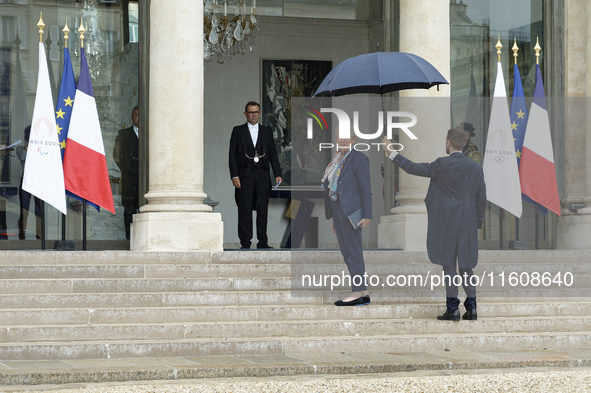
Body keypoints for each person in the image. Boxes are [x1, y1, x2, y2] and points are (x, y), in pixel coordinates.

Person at [383, 128, 486, 320]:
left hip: (447, 223)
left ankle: (453, 308)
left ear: (448, 142)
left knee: (448, 264)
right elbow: (482, 199)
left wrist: (392, 153)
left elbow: (414, 168)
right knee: (466, 266)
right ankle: (471, 308)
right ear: (463, 144)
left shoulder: (442, 164)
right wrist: (477, 223)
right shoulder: (476, 168)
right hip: (468, 224)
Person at [322, 133, 372, 306]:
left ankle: (357, 292)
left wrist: (367, 215)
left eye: (346, 136)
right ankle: (362, 292)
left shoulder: (359, 158)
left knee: (353, 251)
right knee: (347, 251)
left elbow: (366, 189)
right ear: (335, 139)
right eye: (339, 136)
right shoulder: (336, 160)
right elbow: (334, 190)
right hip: (339, 211)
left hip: (352, 212)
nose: (342, 140)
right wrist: (335, 217)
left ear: (353, 139)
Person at [229, 101, 282, 249]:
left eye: (256, 112)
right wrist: (234, 175)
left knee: (262, 209)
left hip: (263, 174)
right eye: (250, 112)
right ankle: (245, 243)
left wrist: (277, 173)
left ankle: (263, 242)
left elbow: (273, 153)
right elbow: (232, 155)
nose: (253, 115)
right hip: (244, 174)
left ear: (259, 113)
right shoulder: (237, 131)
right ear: (245, 114)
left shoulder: (266, 131)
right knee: (244, 208)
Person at [113, 106, 139, 240]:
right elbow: (116, 155)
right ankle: (129, 238)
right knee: (129, 208)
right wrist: (126, 168)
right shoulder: (123, 134)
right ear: (131, 117)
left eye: (141, 115)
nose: (138, 118)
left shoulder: (150, 132)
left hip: (145, 178)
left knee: (144, 207)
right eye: (136, 115)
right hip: (129, 177)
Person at [15, 126, 42, 240]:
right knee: (24, 210)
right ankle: (22, 236)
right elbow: (22, 158)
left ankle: (39, 236)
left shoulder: (40, 149)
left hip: (38, 182)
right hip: (25, 182)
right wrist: (27, 146)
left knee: (39, 211)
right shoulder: (20, 148)